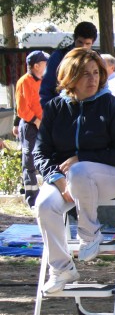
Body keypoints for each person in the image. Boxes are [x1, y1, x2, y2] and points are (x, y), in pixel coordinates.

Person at [33, 47, 115, 294]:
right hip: (67, 180)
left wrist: (81, 158)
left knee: (80, 172)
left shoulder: (111, 105)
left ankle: (90, 233)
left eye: (95, 73)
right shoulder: (56, 108)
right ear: (70, 77)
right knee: (44, 206)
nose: (93, 79)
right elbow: (40, 151)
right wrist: (55, 178)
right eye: (85, 74)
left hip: (113, 177)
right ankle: (61, 268)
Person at [15, 50, 48, 207]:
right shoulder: (24, 82)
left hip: (43, 125)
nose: (46, 66)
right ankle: (32, 198)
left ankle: (46, 194)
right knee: (29, 161)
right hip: (30, 126)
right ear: (36, 66)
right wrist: (36, 121)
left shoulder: (43, 81)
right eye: (44, 63)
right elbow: (22, 109)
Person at [39, 21, 97, 105]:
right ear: (74, 39)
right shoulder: (58, 57)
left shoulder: (96, 59)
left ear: (93, 43)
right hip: (63, 109)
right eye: (80, 42)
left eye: (87, 44)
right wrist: (51, 113)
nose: (83, 47)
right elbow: (46, 90)